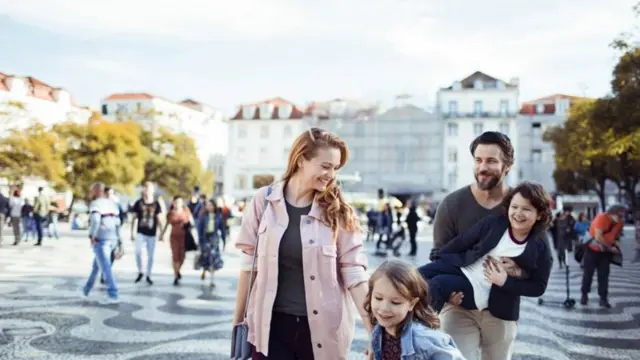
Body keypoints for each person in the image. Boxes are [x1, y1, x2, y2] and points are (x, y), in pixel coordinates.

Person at [232, 128, 371, 360]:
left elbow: (355, 273)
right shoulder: (263, 201)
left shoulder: (338, 211)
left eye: (335, 168)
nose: (331, 175)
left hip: (323, 332)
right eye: (325, 166)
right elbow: (249, 266)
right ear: (301, 160)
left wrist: (373, 331)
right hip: (270, 330)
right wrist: (238, 322)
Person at [425, 131, 533, 360]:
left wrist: (516, 270)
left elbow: (536, 259)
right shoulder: (452, 204)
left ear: (507, 165)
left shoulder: (523, 205)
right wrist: (446, 294)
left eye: (492, 161)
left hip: (501, 307)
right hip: (459, 306)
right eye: (478, 160)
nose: (483, 167)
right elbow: (438, 255)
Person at [419, 182, 553, 316]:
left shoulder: (540, 247)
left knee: (437, 284)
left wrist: (505, 281)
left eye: (526, 209)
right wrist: (439, 259)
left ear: (540, 215)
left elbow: (538, 287)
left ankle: (424, 330)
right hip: (464, 267)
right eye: (515, 207)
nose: (518, 213)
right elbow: (462, 241)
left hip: (481, 290)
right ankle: (403, 324)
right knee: (414, 276)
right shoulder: (494, 223)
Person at [365, 259, 464, 360]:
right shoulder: (379, 333)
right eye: (378, 298)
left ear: (412, 303)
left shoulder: (424, 340)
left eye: (395, 302)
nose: (384, 308)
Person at [81, 182, 122, 304]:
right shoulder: (112, 204)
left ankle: (113, 293)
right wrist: (119, 241)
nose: (91, 193)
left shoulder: (96, 204)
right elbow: (118, 223)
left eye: (92, 190)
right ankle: (86, 289)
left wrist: (92, 235)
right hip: (112, 238)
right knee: (96, 266)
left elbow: (95, 220)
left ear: (96, 191)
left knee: (105, 267)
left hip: (101, 239)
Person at [580, 205, 625, 308]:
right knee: (588, 274)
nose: (621, 216)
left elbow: (617, 235)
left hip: (605, 253)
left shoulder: (620, 222)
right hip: (592, 250)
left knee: (604, 275)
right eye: (619, 214)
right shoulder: (602, 218)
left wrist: (616, 243)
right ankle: (584, 295)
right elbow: (598, 236)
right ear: (612, 213)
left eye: (622, 214)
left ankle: (603, 299)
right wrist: (610, 247)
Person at [131, 182, 163, 285]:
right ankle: (140, 271)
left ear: (152, 191)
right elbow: (134, 218)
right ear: (143, 190)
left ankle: (148, 275)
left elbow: (158, 219)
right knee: (137, 252)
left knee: (151, 256)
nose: (147, 191)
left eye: (149, 189)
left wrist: (162, 233)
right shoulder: (138, 203)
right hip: (140, 232)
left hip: (152, 233)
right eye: (146, 189)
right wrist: (131, 233)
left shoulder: (156, 204)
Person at [161, 196, 194, 286]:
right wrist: (162, 234)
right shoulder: (170, 213)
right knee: (175, 255)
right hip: (174, 237)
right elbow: (166, 224)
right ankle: (176, 275)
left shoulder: (186, 211)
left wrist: (189, 225)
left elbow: (192, 222)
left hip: (184, 236)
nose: (178, 204)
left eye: (179, 202)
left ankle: (178, 270)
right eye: (176, 202)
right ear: (173, 203)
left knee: (182, 256)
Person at [196, 199, 225, 286]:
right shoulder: (203, 216)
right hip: (205, 239)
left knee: (213, 257)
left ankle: (212, 279)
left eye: (210, 205)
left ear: (214, 206)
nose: (209, 207)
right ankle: (204, 270)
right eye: (207, 205)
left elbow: (222, 229)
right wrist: (200, 241)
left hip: (214, 239)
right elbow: (200, 230)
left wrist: (224, 241)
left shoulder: (218, 216)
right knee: (205, 257)